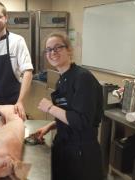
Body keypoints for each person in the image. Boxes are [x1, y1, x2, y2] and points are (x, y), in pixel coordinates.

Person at [32, 32, 103, 180]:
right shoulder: (63, 78)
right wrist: (50, 126)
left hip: (80, 152)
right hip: (64, 145)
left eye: (58, 47)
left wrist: (50, 108)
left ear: (69, 50)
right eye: (49, 49)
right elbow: (70, 112)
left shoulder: (82, 78)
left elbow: (80, 120)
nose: (53, 52)